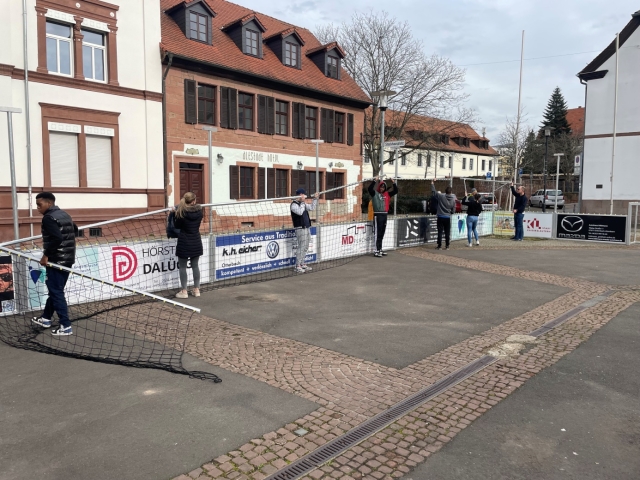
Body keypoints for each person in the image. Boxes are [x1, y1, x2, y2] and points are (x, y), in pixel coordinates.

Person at [31, 192, 78, 336]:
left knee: (56, 292)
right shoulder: (64, 214)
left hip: (56, 260)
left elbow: (57, 238)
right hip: (68, 259)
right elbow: (74, 230)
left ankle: (65, 325)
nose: (37, 208)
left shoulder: (48, 218)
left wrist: (46, 256)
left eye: (40, 205)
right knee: (55, 290)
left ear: (49, 203)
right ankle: (46, 318)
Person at [174, 192, 203, 298]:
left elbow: (177, 225)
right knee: (195, 266)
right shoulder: (200, 212)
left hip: (184, 241)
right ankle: (196, 290)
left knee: (182, 267)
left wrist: (174, 214)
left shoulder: (181, 212)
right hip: (196, 240)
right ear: (194, 201)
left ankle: (184, 291)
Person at [367, 176, 398, 257]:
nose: (382, 188)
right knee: (377, 233)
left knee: (382, 233)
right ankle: (376, 250)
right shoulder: (375, 194)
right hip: (378, 215)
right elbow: (369, 189)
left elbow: (396, 191)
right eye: (381, 186)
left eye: (383, 187)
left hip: (384, 215)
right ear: (379, 187)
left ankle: (380, 249)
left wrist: (393, 182)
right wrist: (374, 180)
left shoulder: (387, 194)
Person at [291, 188, 319, 273]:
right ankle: (297, 265)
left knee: (306, 246)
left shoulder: (303, 204)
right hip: (300, 228)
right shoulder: (294, 205)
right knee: (301, 246)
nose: (304, 196)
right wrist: (303, 202)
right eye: (303, 194)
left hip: (307, 227)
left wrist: (315, 199)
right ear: (300, 195)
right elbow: (299, 212)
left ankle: (302, 263)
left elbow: (312, 207)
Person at [431, 180, 456, 250]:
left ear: (445, 191)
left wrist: (432, 183)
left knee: (440, 232)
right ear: (451, 192)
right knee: (447, 232)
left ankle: (439, 245)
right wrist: (451, 212)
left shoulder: (441, 196)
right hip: (447, 217)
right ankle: (447, 245)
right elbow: (454, 209)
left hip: (440, 216)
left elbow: (434, 191)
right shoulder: (453, 199)